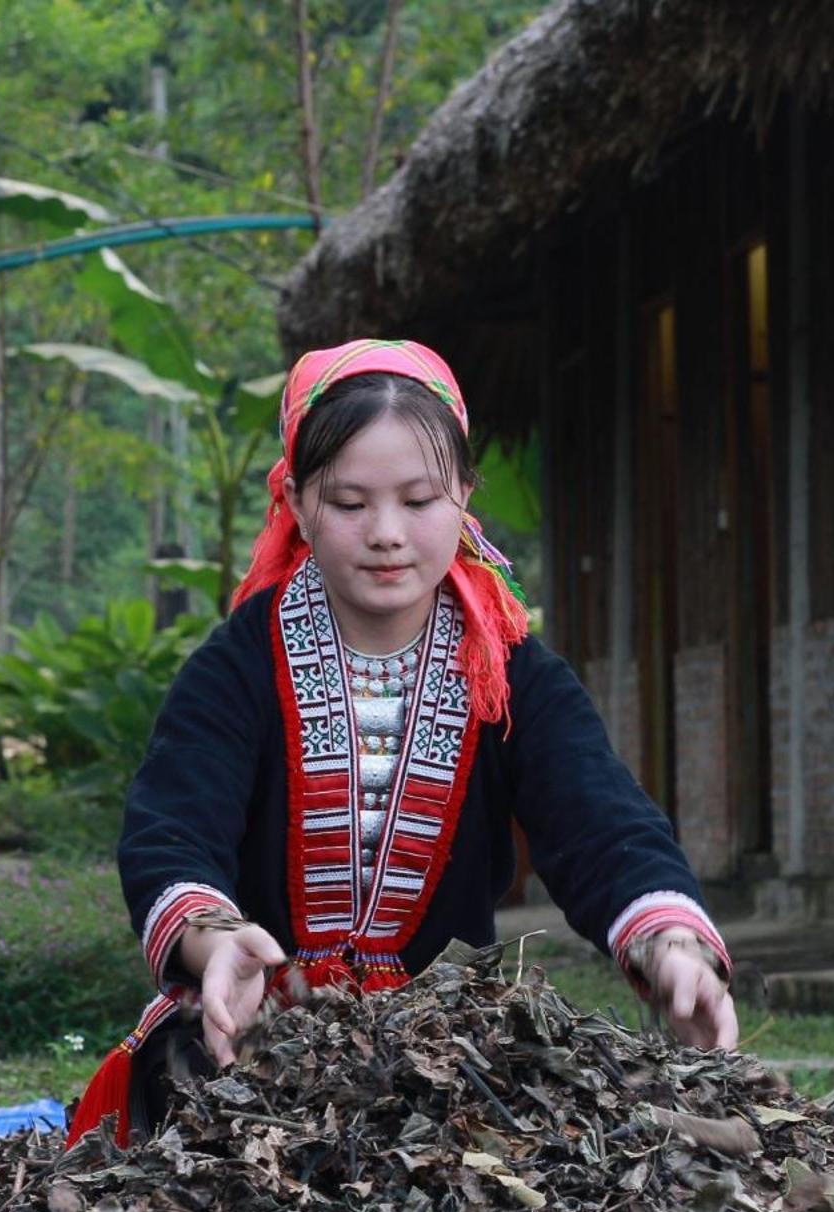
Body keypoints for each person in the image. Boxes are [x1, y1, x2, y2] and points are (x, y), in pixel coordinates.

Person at [66, 338, 735, 1149]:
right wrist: (213, 942)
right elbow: (174, 826)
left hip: (451, 1057)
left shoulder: (510, 672)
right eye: (350, 503)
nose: (387, 533)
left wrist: (671, 945)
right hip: (242, 1043)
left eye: (419, 500)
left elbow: (599, 820)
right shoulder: (238, 665)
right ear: (299, 503)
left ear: (463, 497)